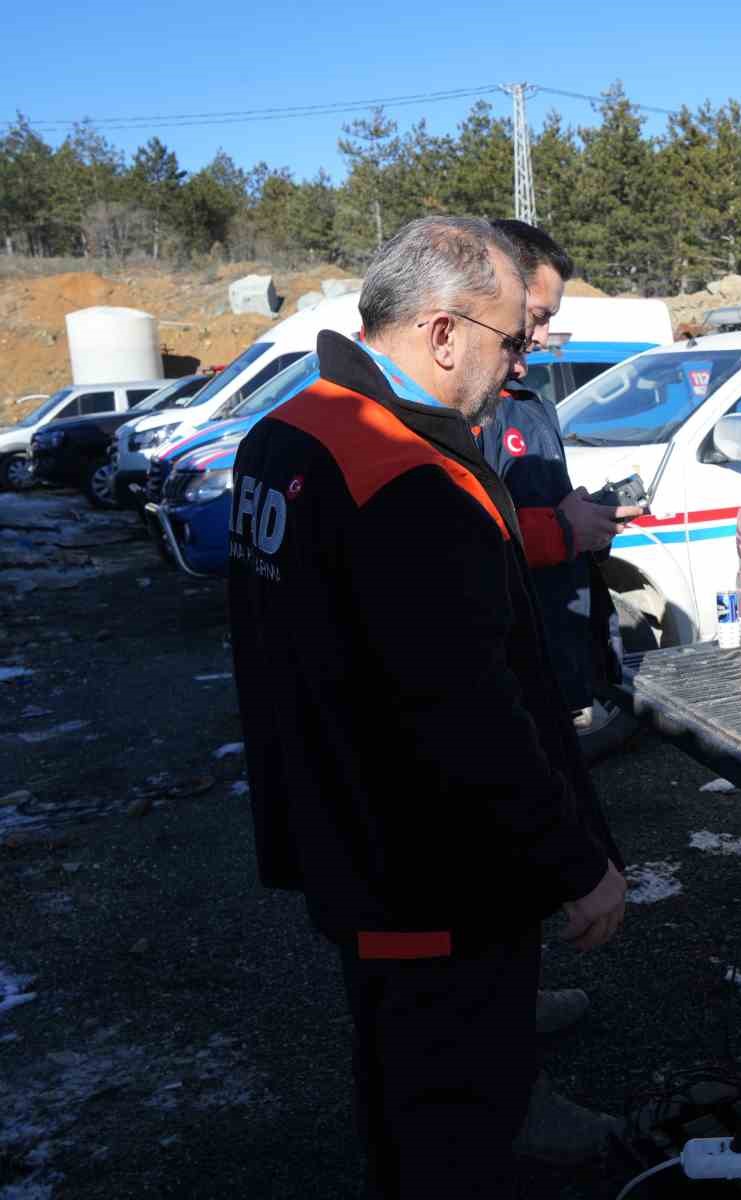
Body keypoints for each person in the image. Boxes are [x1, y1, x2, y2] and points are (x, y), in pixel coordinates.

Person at [227, 215, 626, 1198]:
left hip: (342, 841)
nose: (521, 362)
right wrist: (577, 863)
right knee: (455, 1120)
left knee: (400, 1082)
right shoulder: (410, 478)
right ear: (443, 333)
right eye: (513, 339)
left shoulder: (285, 434)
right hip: (431, 872)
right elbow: (469, 714)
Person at [475, 219, 642, 1163]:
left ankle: (516, 995)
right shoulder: (450, 410)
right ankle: (510, 1102)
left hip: (540, 636)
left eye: (546, 322)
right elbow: (464, 532)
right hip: (499, 651)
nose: (539, 338)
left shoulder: (521, 388)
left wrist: (577, 529)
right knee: (505, 839)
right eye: (532, 318)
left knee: (513, 873)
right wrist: (554, 533)